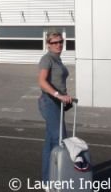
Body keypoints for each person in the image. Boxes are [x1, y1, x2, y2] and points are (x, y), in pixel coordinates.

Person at [37, 31, 73, 184]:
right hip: (49, 102)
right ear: (48, 44)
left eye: (60, 42)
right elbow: (42, 82)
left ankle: (48, 180)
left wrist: (65, 98)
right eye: (54, 42)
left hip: (57, 103)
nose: (58, 45)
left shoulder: (58, 60)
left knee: (50, 142)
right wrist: (59, 95)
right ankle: (56, 179)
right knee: (60, 139)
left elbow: (58, 82)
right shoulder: (47, 59)